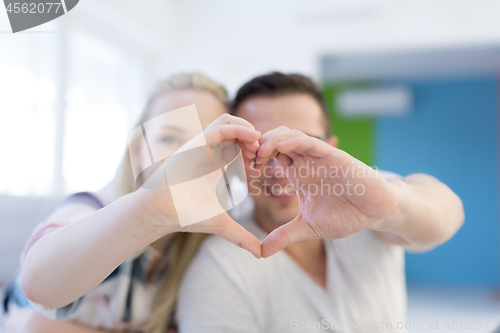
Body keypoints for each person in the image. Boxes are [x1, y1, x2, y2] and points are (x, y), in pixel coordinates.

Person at [176, 72, 465, 332]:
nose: (279, 169)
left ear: (331, 149)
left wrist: (392, 208)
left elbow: (449, 214)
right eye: (258, 150)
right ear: (236, 161)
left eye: (298, 144)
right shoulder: (221, 267)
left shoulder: (367, 199)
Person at [0, 72, 262, 333]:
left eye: (209, 142)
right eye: (169, 139)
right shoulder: (92, 208)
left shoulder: (219, 240)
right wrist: (148, 210)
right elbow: (37, 288)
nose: (186, 157)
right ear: (138, 152)